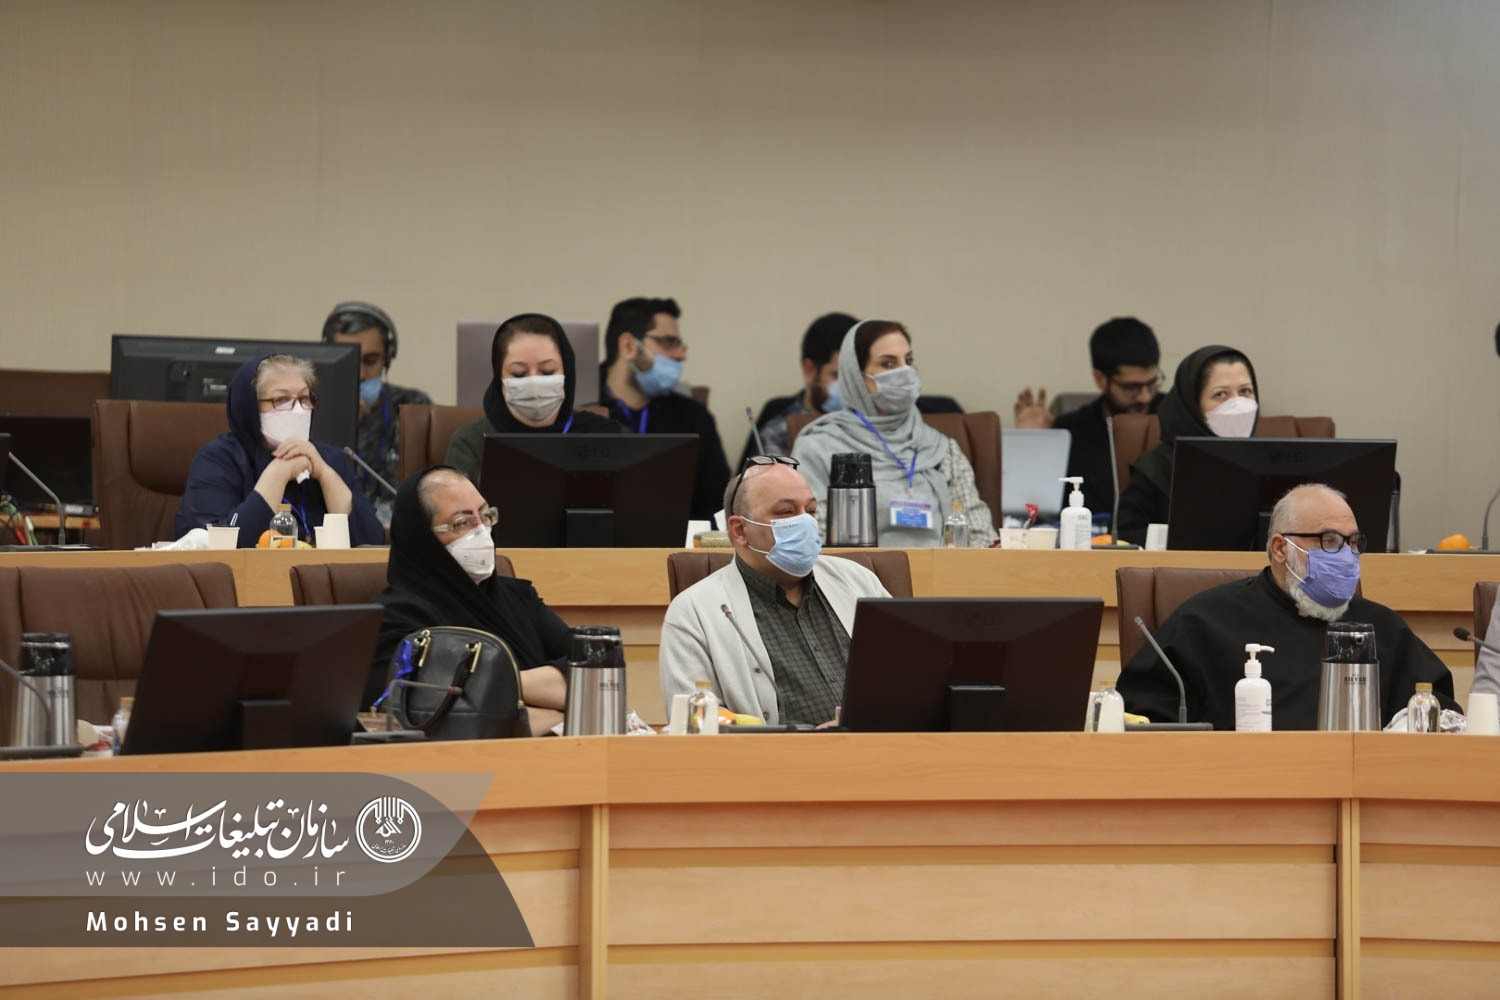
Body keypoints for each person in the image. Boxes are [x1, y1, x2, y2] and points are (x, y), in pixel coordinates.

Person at [1118, 484, 1459, 730]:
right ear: (1280, 548)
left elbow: (1440, 712)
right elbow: (1143, 716)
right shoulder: (1205, 620)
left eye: (1353, 542)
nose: (1346, 555)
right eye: (1329, 541)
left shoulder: (1380, 627)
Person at [659, 457, 890, 725]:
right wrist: (814, 740)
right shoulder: (693, 612)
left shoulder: (858, 580)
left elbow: (910, 674)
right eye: (786, 512)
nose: (805, 523)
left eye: (811, 511)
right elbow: (694, 722)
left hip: (887, 745)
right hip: (779, 752)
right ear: (740, 530)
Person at [366, 466, 571, 733]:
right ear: (423, 538)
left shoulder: (519, 598)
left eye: (485, 516)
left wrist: (491, 685)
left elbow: (593, 669)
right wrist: (558, 709)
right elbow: (435, 717)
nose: (481, 531)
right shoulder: (394, 619)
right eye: (462, 523)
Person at [791, 320, 997, 547]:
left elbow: (980, 536)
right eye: (888, 363)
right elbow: (814, 540)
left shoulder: (940, 449)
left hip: (942, 568)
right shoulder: (819, 447)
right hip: (856, 569)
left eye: (908, 361)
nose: (904, 372)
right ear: (857, 376)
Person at [176, 354, 384, 548]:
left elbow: (373, 545)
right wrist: (278, 474)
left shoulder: (330, 460)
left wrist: (325, 475)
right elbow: (220, 545)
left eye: (304, 398)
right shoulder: (216, 461)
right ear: (249, 407)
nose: (298, 410)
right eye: (282, 400)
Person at [741, 311, 969, 468]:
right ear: (810, 371)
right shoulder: (789, 434)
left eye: (908, 361)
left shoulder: (924, 430)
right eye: (838, 375)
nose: (851, 384)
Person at [591, 296, 731, 520]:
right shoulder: (576, 409)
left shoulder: (694, 417)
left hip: (676, 538)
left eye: (680, 345)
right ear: (628, 346)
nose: (681, 355)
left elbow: (717, 505)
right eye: (668, 342)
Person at [445, 312, 623, 485]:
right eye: (519, 374)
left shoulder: (602, 435)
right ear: (499, 380)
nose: (534, 382)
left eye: (547, 372)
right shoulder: (471, 442)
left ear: (567, 374)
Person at [1013, 317, 1162, 523]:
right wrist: (1035, 443)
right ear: (1100, 379)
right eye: (1131, 387)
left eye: (1152, 383)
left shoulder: (1175, 418)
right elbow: (1037, 511)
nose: (1145, 397)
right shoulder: (1072, 430)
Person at [1115, 344, 1259, 546]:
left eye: (1245, 391)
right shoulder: (1159, 466)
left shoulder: (1268, 461)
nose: (1238, 404)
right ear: (1192, 404)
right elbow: (1125, 533)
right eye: (1221, 394)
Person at [322, 301, 432, 526]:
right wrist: (344, 422)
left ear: (387, 359)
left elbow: (416, 498)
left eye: (371, 361)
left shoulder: (413, 407)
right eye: (350, 360)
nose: (361, 374)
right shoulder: (307, 410)